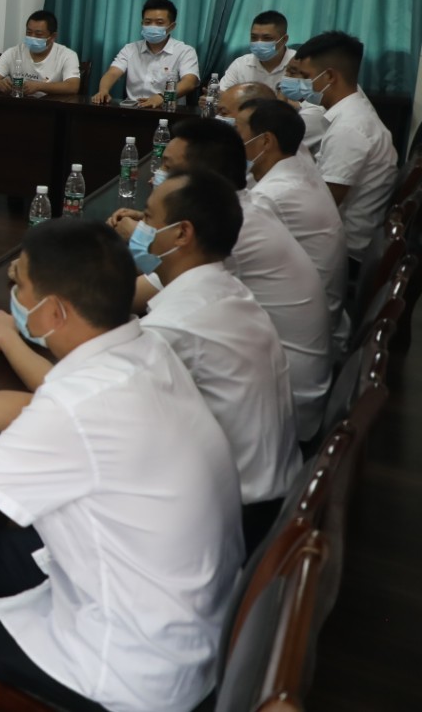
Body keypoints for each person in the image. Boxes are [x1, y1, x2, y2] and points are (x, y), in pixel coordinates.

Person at [0, 220, 241, 712]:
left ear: (54, 311)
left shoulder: (79, 405)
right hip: (190, 626)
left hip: (130, 668)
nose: (14, 296)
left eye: (20, 284)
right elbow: (38, 407)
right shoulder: (144, 350)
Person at [109, 118, 330, 441]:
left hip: (290, 407)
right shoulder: (239, 215)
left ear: (200, 182)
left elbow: (119, 301)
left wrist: (139, 237)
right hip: (271, 403)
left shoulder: (228, 243)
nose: (157, 174)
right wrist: (153, 223)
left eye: (168, 167)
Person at [130, 167, 299, 545]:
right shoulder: (224, 286)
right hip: (272, 490)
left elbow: (92, 399)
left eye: (147, 218)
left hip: (235, 513)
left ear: (182, 233)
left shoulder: (178, 323)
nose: (140, 229)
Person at [236, 99, 350, 363]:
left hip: (297, 343)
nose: (233, 139)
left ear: (266, 141)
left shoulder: (272, 196)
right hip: (319, 320)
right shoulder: (299, 163)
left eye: (238, 131)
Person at [287, 31, 398, 263]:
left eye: (306, 76)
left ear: (329, 76)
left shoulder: (350, 128)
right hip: (336, 238)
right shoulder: (351, 114)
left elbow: (323, 206)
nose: (300, 84)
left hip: (345, 253)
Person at [91, 0, 199, 107]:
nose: (152, 26)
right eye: (147, 22)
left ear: (172, 26)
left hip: (167, 110)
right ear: (142, 23)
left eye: (159, 23)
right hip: (133, 109)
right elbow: (113, 73)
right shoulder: (130, 49)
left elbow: (190, 82)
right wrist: (103, 90)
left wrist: (162, 97)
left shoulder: (185, 51)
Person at [0, 10, 81, 97]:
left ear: (53, 36)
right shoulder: (14, 52)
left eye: (38, 34)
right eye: (29, 32)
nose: (32, 37)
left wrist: (39, 86)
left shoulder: (67, 55)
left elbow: (73, 86)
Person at [219, 11, 295, 92]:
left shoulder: (299, 64)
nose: (259, 42)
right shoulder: (240, 64)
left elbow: (304, 99)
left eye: (267, 38)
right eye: (254, 37)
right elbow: (222, 93)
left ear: (284, 40)